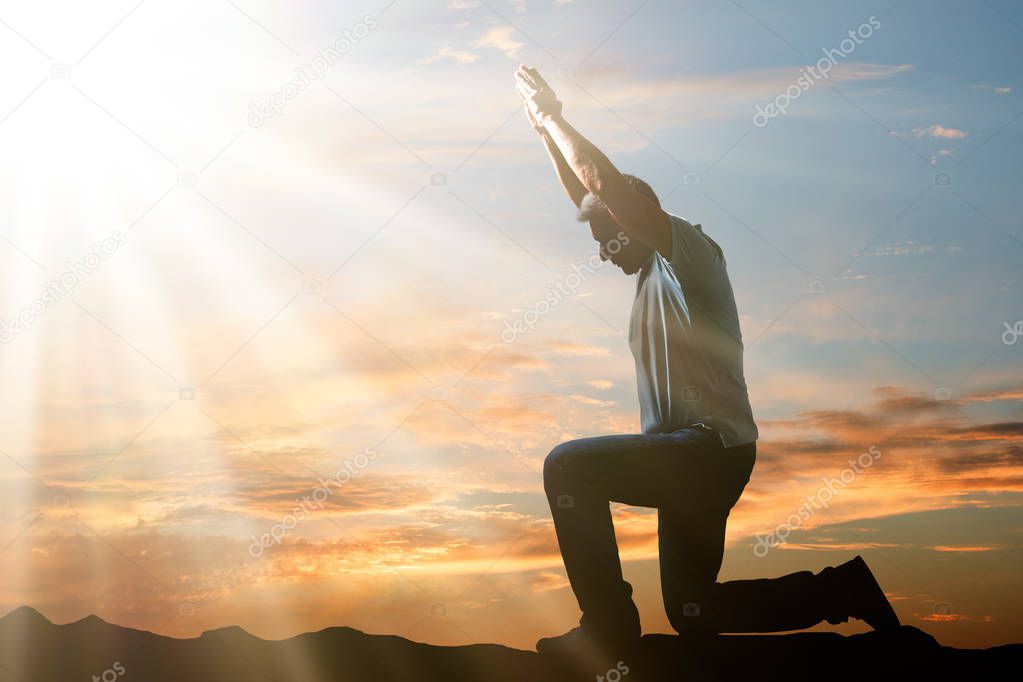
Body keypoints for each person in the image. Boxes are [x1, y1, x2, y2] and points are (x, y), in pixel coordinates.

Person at [515, 65, 900, 661]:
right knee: (693, 610)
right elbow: (590, 192)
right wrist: (542, 130)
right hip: (693, 461)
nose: (600, 251)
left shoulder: (689, 253)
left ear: (634, 214)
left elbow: (609, 190)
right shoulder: (648, 273)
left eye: (606, 235)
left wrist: (559, 119)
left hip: (705, 452)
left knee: (567, 468)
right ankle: (841, 589)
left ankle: (609, 628)